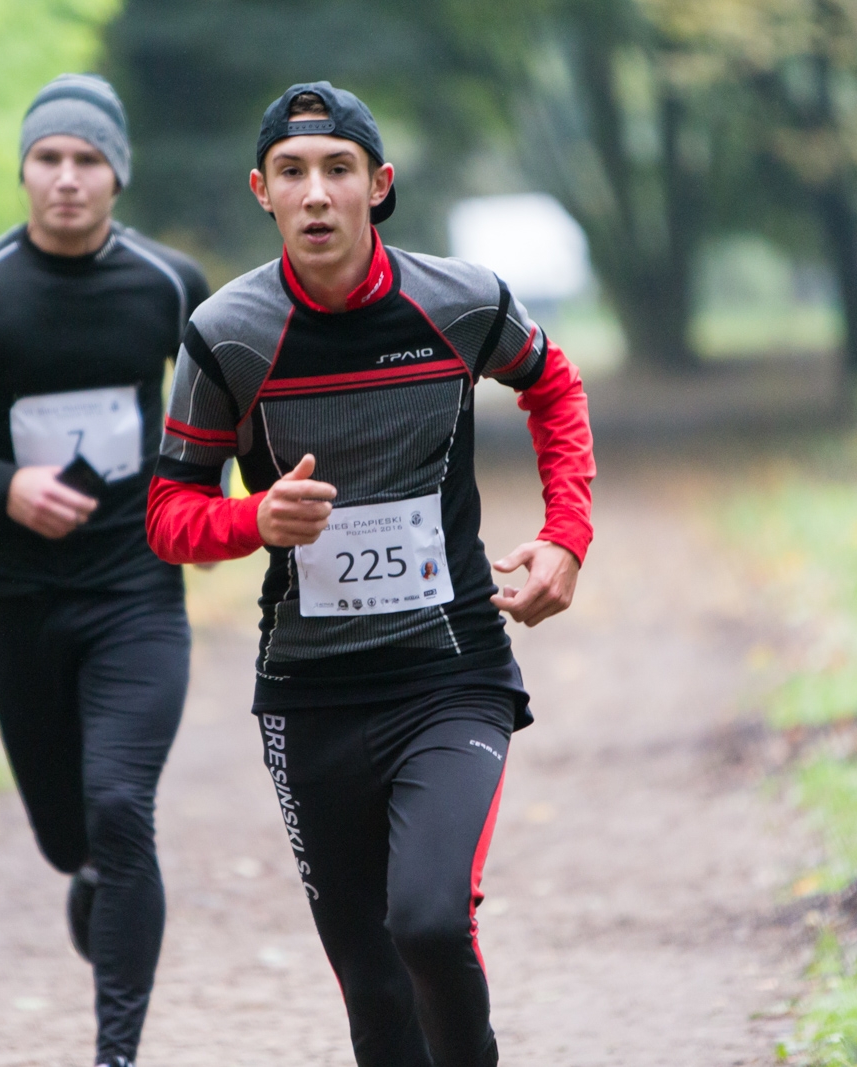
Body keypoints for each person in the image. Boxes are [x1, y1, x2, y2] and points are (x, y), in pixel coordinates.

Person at [144, 82, 595, 1067]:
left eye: (338, 170)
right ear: (261, 191)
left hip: (450, 670)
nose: (316, 193)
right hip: (310, 694)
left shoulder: (459, 303)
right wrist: (254, 518)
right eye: (292, 172)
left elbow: (553, 386)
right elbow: (169, 514)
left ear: (378, 185)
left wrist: (566, 534)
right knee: (376, 992)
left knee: (428, 920)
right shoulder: (227, 334)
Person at [0, 73, 208, 1067]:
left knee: (121, 806)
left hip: (139, 589)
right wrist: (3, 485)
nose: (66, 177)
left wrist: (233, 507)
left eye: (87, 159)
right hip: (20, 597)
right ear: (24, 170)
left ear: (117, 174)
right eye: (49, 157)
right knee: (72, 839)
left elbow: (236, 405)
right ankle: (92, 876)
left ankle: (115, 1053)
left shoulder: (171, 284)